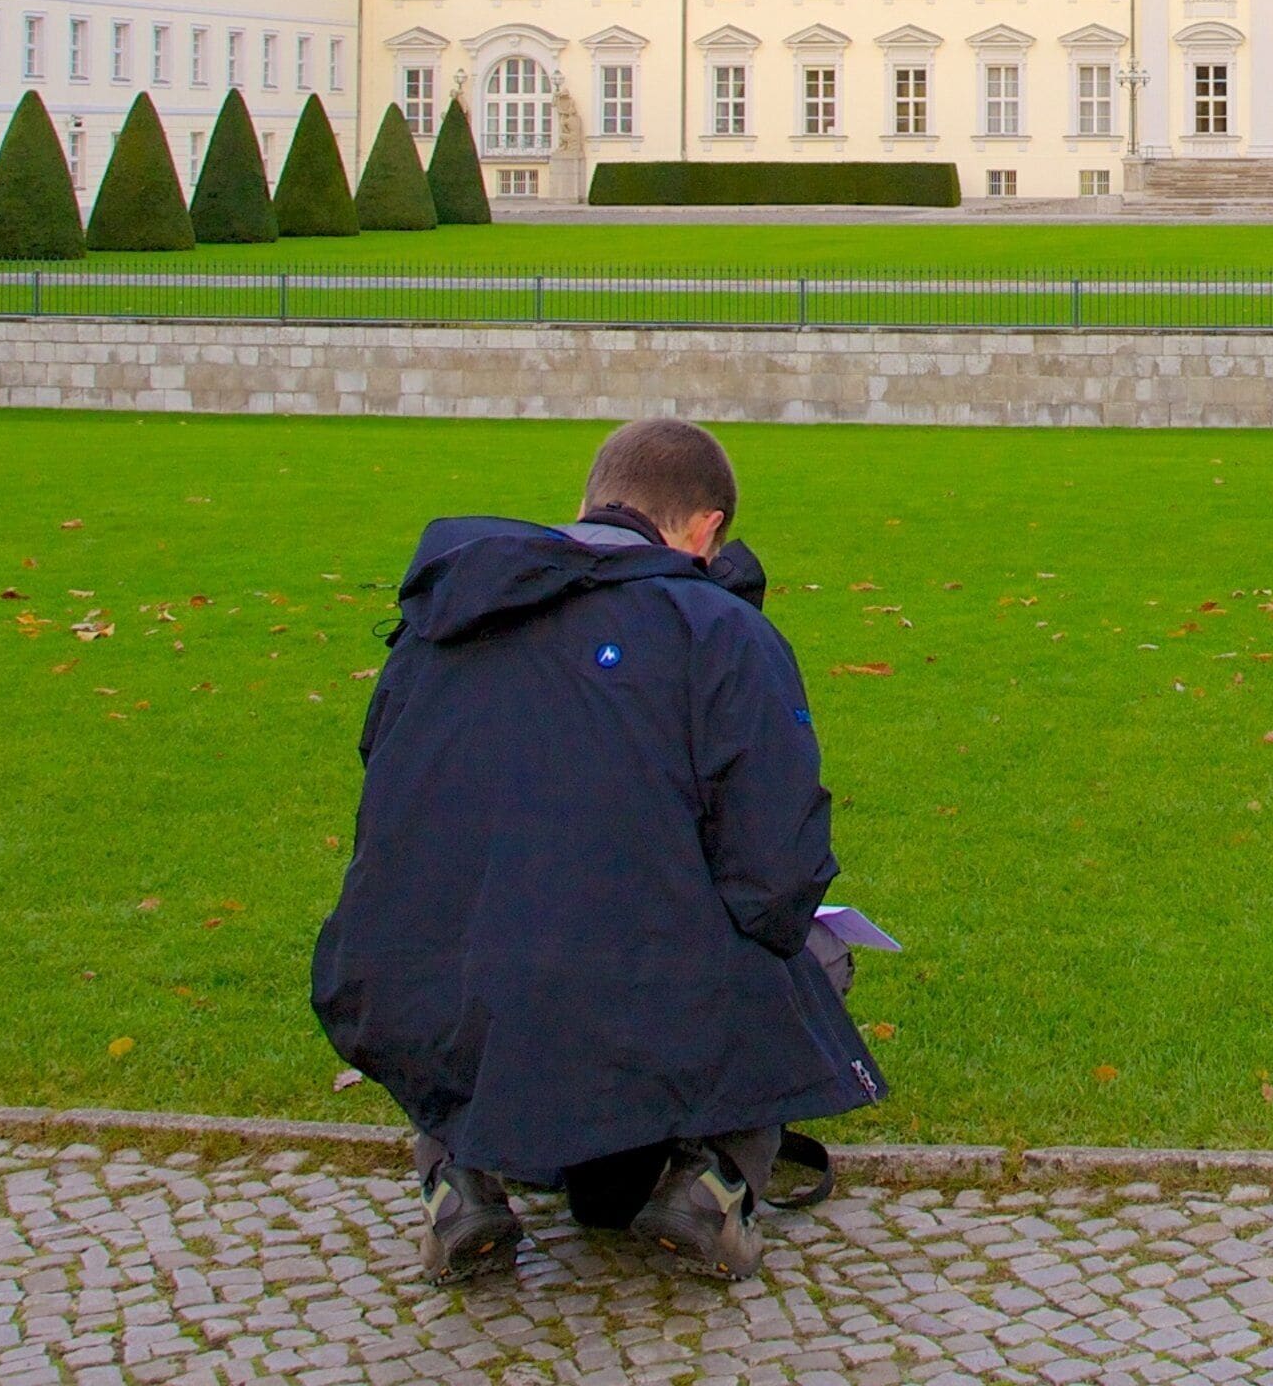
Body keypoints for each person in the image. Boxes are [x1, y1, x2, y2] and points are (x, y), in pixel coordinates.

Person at [311, 417, 883, 1285]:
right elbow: (777, 876)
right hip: (620, 987)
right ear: (705, 532)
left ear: (585, 503)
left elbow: (387, 806)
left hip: (433, 971)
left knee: (464, 945)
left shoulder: (443, 618)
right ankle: (713, 1182)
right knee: (813, 946)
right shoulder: (717, 633)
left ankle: (457, 1176)